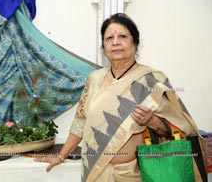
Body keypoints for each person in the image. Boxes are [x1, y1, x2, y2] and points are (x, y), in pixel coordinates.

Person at [34, 13, 207, 181]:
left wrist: (152, 121)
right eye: (109, 38)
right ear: (104, 46)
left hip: (132, 173)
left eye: (123, 36)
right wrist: (61, 156)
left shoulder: (151, 81)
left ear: (135, 44)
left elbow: (183, 129)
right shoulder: (94, 79)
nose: (115, 42)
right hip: (94, 172)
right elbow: (80, 121)